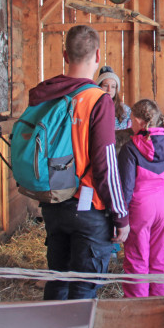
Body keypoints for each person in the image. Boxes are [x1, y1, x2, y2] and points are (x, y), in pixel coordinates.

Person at [30, 25, 129, 300]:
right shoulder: (98, 100)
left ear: (65, 54)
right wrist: (121, 216)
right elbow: (105, 165)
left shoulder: (45, 94)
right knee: (84, 290)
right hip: (87, 209)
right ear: (97, 55)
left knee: (58, 281)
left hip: (52, 202)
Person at [117, 99, 164, 298]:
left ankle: (137, 307)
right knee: (160, 257)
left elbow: (126, 187)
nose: (130, 125)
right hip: (162, 203)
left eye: (132, 120)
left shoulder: (130, 148)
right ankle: (161, 303)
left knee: (136, 259)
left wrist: (120, 217)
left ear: (140, 122)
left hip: (141, 206)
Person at [97, 65, 131, 130]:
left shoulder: (125, 110)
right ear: (99, 87)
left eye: (113, 87)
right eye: (106, 85)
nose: (109, 90)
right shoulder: (93, 107)